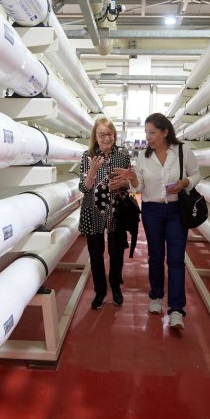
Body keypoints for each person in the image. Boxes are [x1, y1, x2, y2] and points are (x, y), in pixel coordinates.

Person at [113, 113, 201, 330]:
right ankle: (155, 297)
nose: (148, 137)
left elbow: (197, 174)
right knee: (155, 256)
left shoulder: (183, 151)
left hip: (176, 210)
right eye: (146, 133)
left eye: (152, 132)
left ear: (165, 132)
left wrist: (185, 182)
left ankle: (177, 309)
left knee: (176, 259)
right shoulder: (144, 156)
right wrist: (132, 178)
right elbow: (139, 188)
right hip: (152, 210)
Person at [79, 117, 131, 310]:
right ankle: (100, 290)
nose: (106, 138)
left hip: (116, 210)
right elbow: (83, 189)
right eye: (102, 135)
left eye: (110, 134)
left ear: (114, 135)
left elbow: (130, 184)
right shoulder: (87, 156)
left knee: (116, 250)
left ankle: (115, 285)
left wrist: (124, 184)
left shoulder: (122, 156)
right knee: (95, 252)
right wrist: (92, 172)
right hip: (93, 210)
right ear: (95, 136)